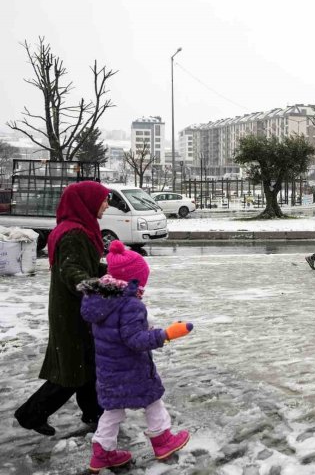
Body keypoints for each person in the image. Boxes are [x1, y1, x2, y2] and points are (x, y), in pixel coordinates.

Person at [79, 240, 193, 472]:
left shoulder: (100, 300)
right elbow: (134, 340)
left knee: (112, 410)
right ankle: (163, 441)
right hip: (132, 368)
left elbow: (116, 333)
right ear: (133, 280)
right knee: (152, 400)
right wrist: (166, 334)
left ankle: (102, 452)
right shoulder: (130, 305)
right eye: (142, 281)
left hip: (109, 369)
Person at [14, 181, 110, 436]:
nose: (107, 204)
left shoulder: (75, 229)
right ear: (86, 202)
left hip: (74, 307)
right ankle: (30, 414)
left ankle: (95, 413)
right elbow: (72, 272)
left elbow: (81, 266)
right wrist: (103, 285)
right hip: (72, 311)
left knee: (87, 365)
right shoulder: (75, 233)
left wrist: (110, 272)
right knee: (72, 371)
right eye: (103, 199)